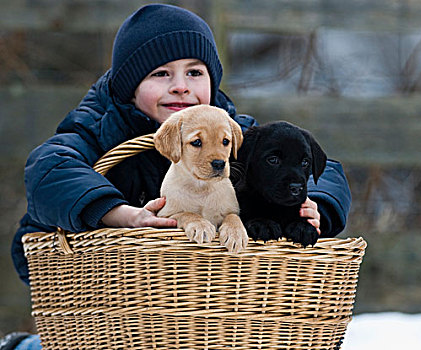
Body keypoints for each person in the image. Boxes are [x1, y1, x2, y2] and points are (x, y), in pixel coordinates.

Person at [3, 3, 351, 349]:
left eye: (195, 73)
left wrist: (315, 204)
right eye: (161, 74)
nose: (181, 87)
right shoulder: (99, 128)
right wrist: (120, 214)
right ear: (129, 86)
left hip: (193, 301)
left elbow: (316, 163)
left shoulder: (230, 132)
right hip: (97, 289)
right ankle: (27, 347)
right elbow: (49, 167)